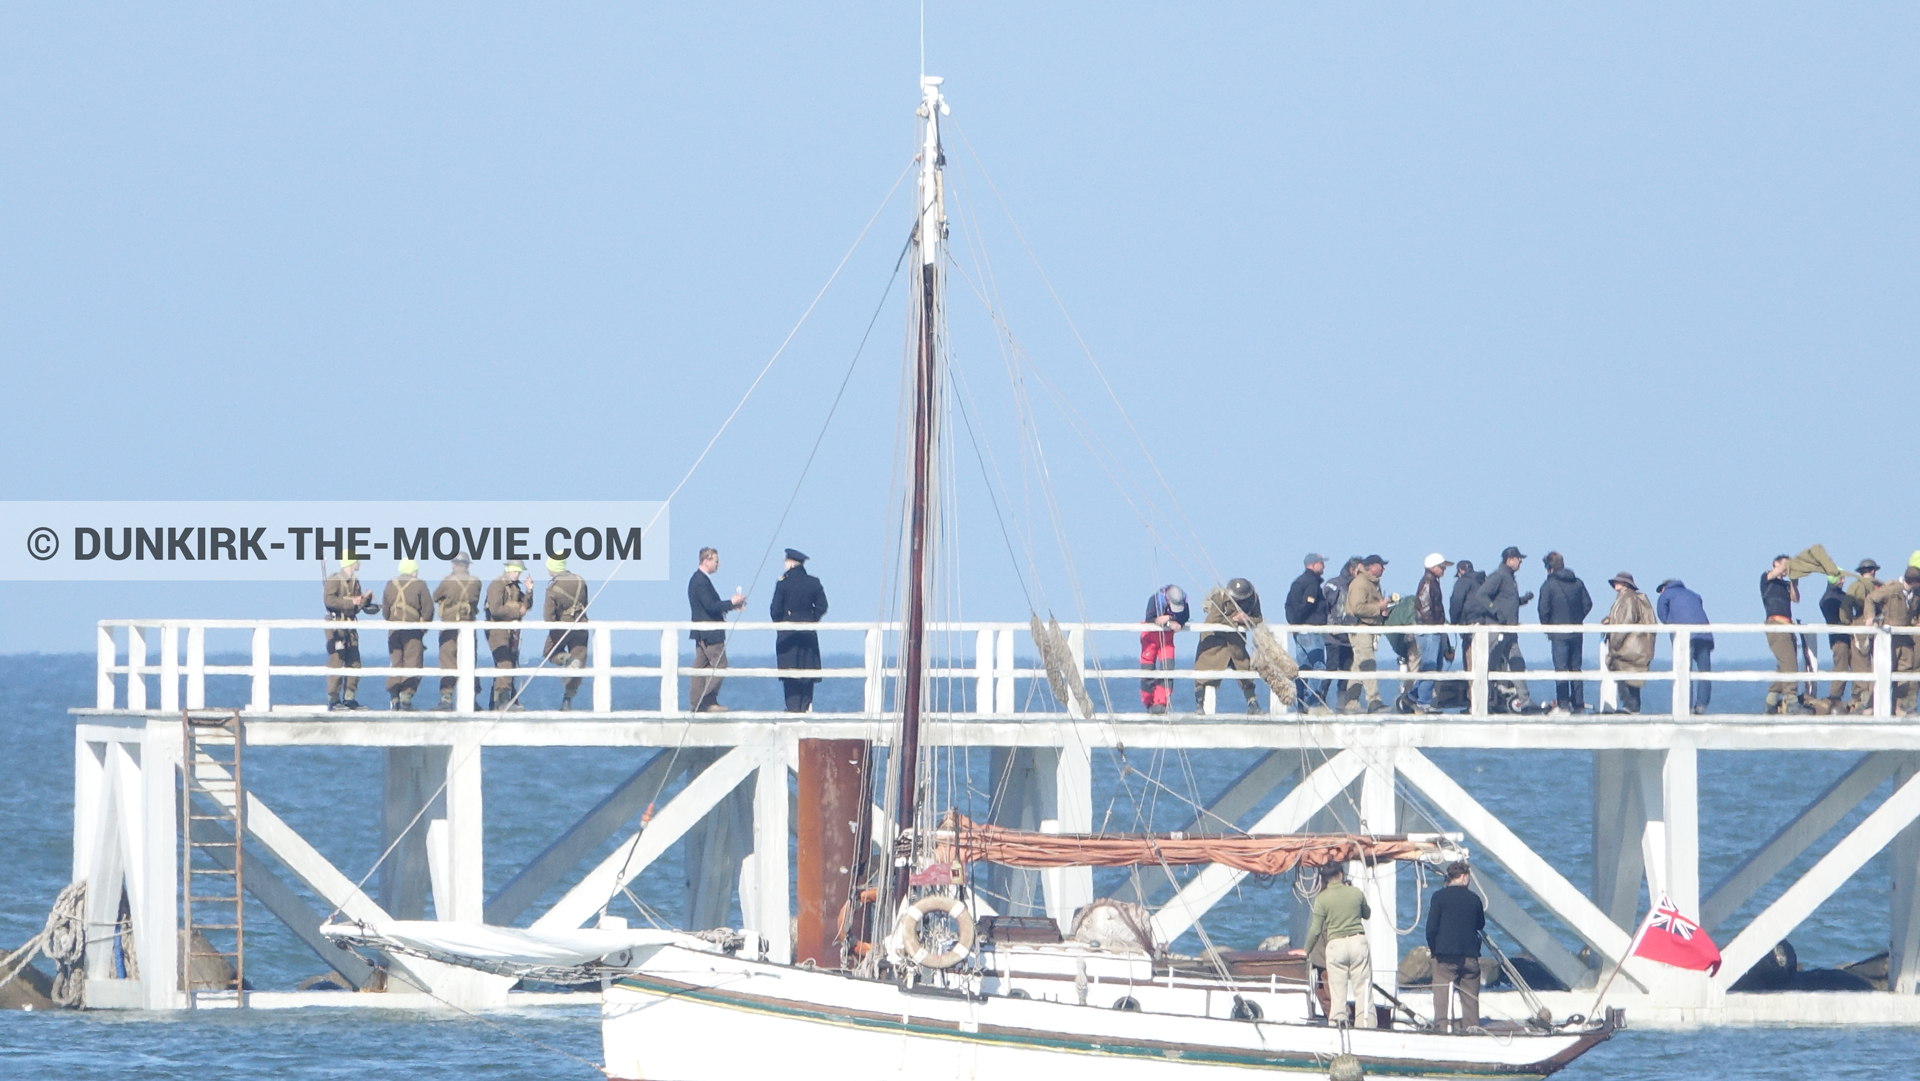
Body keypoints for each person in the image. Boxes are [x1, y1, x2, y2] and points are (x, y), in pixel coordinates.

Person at [1305, 864, 1373, 1028]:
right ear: (1341, 875)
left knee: (1337, 991)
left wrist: (1306, 950)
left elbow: (1315, 929)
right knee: (1362, 988)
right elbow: (1367, 913)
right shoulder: (1356, 893)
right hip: (1357, 941)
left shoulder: (1322, 898)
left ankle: (1338, 1024)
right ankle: (1366, 1025)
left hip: (1336, 944)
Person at [1472, 547, 1535, 712]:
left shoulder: (1508, 578)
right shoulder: (1499, 576)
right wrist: (1495, 612)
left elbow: (1506, 601)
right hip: (1497, 629)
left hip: (1509, 630)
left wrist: (1522, 600)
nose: (1520, 561)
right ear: (1510, 559)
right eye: (1518, 558)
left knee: (1517, 663)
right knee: (1490, 665)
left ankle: (1525, 702)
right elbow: (1481, 595)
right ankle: (1481, 703)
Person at [1425, 861, 1486, 1034]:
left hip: (1445, 955)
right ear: (1465, 877)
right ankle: (1472, 1029)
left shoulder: (1439, 897)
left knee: (1442, 995)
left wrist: (1434, 950)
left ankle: (1442, 1029)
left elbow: (1431, 928)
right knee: (1470, 997)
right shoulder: (1474, 899)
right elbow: (1480, 924)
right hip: (1469, 955)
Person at [688, 547, 746, 713]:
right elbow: (710, 606)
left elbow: (710, 607)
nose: (718, 564)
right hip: (709, 632)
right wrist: (731, 603)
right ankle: (706, 700)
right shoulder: (700, 581)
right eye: (715, 560)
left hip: (702, 632)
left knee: (700, 667)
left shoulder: (699, 580)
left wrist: (731, 607)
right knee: (720, 665)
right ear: (706, 561)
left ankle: (697, 704)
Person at [771, 549, 829, 713]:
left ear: (790, 563)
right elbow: (822, 606)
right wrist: (812, 620)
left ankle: (792, 708)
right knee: (807, 671)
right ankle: (805, 706)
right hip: (808, 633)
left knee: (790, 673)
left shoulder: (783, 583)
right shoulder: (813, 582)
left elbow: (775, 610)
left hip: (788, 634)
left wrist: (781, 625)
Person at [1195, 578, 1265, 714]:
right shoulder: (1219, 598)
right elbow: (1212, 620)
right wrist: (1235, 620)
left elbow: (1258, 619)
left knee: (1245, 671)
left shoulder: (1253, 599)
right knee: (1202, 672)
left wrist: (1246, 620)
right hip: (1214, 641)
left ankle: (1252, 704)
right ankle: (1199, 704)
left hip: (1236, 642)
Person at [1536, 552, 1593, 714]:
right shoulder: (1577, 582)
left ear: (1550, 568)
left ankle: (1563, 704)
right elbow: (1588, 604)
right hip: (1576, 632)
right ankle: (1579, 704)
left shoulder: (1548, 585)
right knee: (1576, 669)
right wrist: (1577, 619)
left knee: (1561, 669)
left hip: (1558, 634)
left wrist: (1548, 627)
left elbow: (1543, 609)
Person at [1864, 569, 1920, 715]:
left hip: (1905, 637)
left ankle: (1898, 706)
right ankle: (1872, 706)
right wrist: (1869, 618)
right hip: (1888, 637)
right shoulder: (1892, 589)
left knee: (1904, 671)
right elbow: (1871, 599)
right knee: (1883, 669)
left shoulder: (1916, 594)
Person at [1656, 578, 1715, 714]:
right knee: (1704, 672)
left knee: (1684, 670)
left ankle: (1685, 706)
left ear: (1664, 588)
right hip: (1704, 634)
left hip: (1685, 637)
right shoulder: (1694, 594)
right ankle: (1701, 705)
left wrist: (1673, 627)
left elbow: (1662, 616)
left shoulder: (1666, 595)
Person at [431, 553, 482, 710]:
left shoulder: (447, 581)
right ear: (467, 565)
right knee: (470, 660)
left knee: (447, 660)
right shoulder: (476, 582)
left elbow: (435, 596)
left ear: (454, 564)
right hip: (468, 622)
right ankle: (472, 698)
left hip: (450, 624)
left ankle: (447, 698)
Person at [382, 558, 433, 711]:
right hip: (412, 631)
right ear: (414, 571)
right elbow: (428, 610)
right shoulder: (420, 584)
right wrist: (422, 628)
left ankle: (394, 698)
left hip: (394, 631)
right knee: (413, 663)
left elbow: (385, 611)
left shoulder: (391, 584)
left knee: (395, 662)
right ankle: (406, 700)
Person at [323, 556, 373, 710]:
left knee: (354, 663)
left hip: (350, 627)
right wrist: (351, 602)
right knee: (337, 662)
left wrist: (364, 600)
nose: (359, 563)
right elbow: (329, 601)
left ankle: (349, 698)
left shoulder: (354, 582)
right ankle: (334, 699)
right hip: (337, 627)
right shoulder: (334, 580)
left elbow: (355, 608)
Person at [1602, 572, 1656, 713]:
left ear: (1625, 584)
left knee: (1624, 674)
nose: (1615, 584)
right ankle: (1631, 706)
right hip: (1634, 645)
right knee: (1630, 676)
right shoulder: (1628, 597)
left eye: (1618, 581)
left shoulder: (1627, 598)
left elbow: (1626, 620)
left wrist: (1615, 643)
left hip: (1627, 645)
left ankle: (1630, 706)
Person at [1345, 556, 1392, 714]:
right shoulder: (1361, 583)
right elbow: (1358, 607)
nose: (1384, 569)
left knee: (1359, 665)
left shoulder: (1369, 583)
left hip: (1366, 627)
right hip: (1360, 627)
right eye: (1381, 565)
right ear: (1372, 566)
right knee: (1368, 663)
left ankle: (1351, 703)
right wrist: (1379, 607)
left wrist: (1382, 610)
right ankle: (1374, 701)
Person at [484, 560, 534, 711]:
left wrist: (529, 591)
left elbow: (527, 605)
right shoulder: (497, 585)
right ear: (507, 570)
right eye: (515, 571)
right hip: (497, 630)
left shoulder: (515, 587)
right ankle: (503, 701)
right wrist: (517, 612)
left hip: (510, 632)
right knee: (505, 663)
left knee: (508, 663)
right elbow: (496, 610)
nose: (517, 574)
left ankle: (499, 701)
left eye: (519, 572)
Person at [1761, 555, 1808, 714]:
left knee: (1785, 664)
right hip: (1776, 623)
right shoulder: (1767, 579)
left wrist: (1794, 582)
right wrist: (1792, 565)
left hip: (1787, 624)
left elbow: (1796, 599)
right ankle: (1791, 699)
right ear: (1776, 564)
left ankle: (1771, 700)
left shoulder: (1785, 584)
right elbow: (1777, 572)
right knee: (1789, 663)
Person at [543, 557, 591, 710]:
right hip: (581, 624)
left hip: (562, 625)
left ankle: (567, 659)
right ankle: (567, 701)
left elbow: (548, 616)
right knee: (579, 661)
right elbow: (586, 603)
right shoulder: (580, 580)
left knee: (549, 652)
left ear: (553, 568)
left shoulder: (553, 587)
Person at [1285, 554, 1329, 710]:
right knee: (1318, 666)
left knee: (1303, 666)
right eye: (1321, 563)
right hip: (1311, 630)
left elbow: (1288, 604)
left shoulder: (1297, 582)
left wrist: (1293, 623)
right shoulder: (1312, 583)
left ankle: (1300, 701)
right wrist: (1299, 621)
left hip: (1300, 632)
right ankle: (1313, 702)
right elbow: (1308, 605)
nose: (1323, 566)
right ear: (1314, 564)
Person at [1139, 584, 1190, 714]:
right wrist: (1169, 623)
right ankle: (1149, 702)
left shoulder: (1183, 600)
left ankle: (1161, 702)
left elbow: (1184, 616)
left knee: (1168, 669)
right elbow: (1150, 619)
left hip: (1167, 639)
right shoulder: (1155, 600)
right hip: (1150, 637)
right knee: (1147, 671)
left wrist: (1169, 619)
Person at [1413, 553, 1452, 712]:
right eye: (1442, 567)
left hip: (1431, 629)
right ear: (1433, 567)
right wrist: (1435, 625)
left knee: (1432, 666)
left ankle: (1412, 696)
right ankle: (1423, 702)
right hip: (1429, 630)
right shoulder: (1428, 583)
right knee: (1430, 666)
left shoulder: (1431, 582)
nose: (1444, 570)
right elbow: (1425, 608)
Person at [1819, 571, 1862, 713]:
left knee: (1856, 665)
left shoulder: (1837, 597)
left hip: (1847, 636)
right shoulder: (1828, 599)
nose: (1843, 581)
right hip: (1839, 638)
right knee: (1841, 665)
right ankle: (1835, 696)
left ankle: (1857, 695)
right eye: (1840, 578)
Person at [1323, 558, 1361, 710]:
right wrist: (1331, 625)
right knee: (1331, 666)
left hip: (1349, 635)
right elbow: (1325, 606)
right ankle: (1321, 698)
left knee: (1347, 667)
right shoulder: (1334, 584)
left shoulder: (1359, 586)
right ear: (1352, 569)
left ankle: (1342, 703)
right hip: (1333, 635)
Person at [1848, 560, 1883, 713]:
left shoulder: (1855, 586)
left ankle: (1864, 699)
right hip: (1879, 625)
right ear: (1874, 571)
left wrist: (1849, 621)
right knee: (1878, 661)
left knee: (1860, 662)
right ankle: (1877, 697)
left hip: (1860, 623)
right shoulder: (1882, 586)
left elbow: (1845, 607)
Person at [1448, 560, 1486, 684]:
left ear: (1460, 571)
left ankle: (1473, 699)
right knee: (1483, 664)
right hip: (1485, 625)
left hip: (1469, 625)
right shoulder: (1484, 581)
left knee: (1471, 665)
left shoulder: (1463, 582)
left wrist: (1454, 623)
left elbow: (1456, 602)